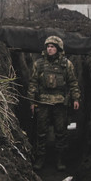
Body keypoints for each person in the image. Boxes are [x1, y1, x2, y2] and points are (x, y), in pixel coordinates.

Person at [27, 34, 81, 171]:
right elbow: (33, 83)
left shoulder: (66, 64)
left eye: (52, 47)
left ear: (58, 48)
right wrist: (32, 102)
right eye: (48, 47)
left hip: (60, 103)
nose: (50, 49)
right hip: (43, 102)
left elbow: (73, 82)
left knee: (61, 132)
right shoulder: (38, 64)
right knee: (41, 132)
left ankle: (60, 159)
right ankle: (40, 158)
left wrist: (75, 98)